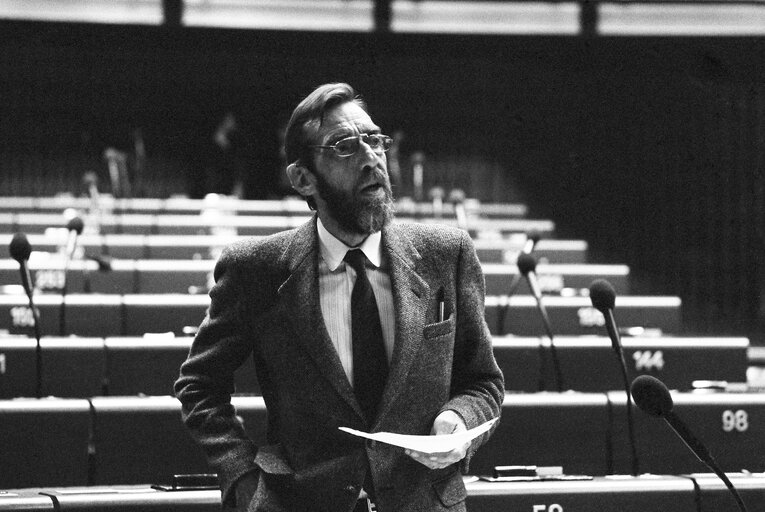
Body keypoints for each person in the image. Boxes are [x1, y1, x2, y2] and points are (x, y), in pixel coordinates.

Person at [174, 83, 504, 512]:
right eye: (345, 147)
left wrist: (458, 422)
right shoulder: (255, 269)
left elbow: (483, 382)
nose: (371, 158)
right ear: (302, 178)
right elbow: (199, 385)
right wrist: (243, 479)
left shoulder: (448, 255)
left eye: (374, 140)